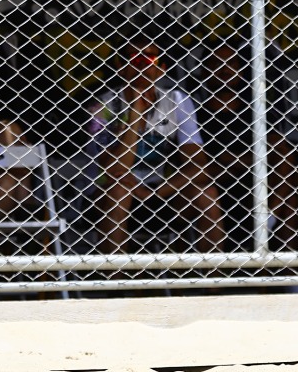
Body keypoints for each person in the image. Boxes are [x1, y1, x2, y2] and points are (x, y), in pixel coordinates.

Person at [90, 41, 223, 254]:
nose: (142, 67)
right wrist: (135, 115)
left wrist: (156, 193)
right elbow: (112, 169)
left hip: (161, 192)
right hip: (113, 193)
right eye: (135, 60)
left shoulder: (177, 100)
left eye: (149, 60)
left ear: (161, 68)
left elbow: (198, 166)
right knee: (119, 191)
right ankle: (116, 279)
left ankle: (214, 282)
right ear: (121, 67)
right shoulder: (102, 106)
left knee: (207, 193)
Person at [193, 40, 298, 251]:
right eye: (216, 64)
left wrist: (237, 162)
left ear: (241, 71)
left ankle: (287, 280)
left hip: (256, 187)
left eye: (231, 63)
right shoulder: (193, 114)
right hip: (215, 188)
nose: (224, 70)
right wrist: (254, 160)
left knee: (288, 195)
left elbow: (282, 153)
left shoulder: (256, 113)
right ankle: (217, 281)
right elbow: (201, 167)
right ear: (204, 72)